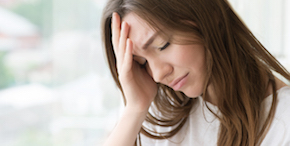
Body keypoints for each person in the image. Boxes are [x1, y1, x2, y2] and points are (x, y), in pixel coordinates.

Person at [101, 0, 290, 145]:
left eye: (162, 45)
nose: (158, 75)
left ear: (209, 13)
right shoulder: (160, 116)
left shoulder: (283, 123)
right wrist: (135, 109)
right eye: (142, 63)